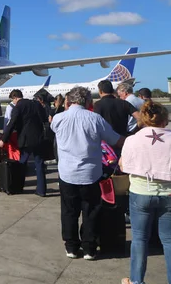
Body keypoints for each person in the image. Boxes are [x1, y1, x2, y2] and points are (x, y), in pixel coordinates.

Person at [51, 86, 124, 260]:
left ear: (69, 101)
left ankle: (71, 247)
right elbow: (115, 140)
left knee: (69, 211)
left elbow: (55, 129)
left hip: (67, 173)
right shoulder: (95, 119)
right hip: (90, 174)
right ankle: (89, 248)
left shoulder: (58, 119)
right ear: (89, 102)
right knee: (91, 211)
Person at [120, 101, 171, 284]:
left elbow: (123, 166)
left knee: (139, 238)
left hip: (140, 192)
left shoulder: (132, 140)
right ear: (165, 119)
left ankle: (137, 280)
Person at [0, 89, 48, 197]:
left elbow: (11, 123)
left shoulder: (18, 107)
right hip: (38, 138)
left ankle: (17, 186)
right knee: (39, 164)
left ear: (15, 97)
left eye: (13, 100)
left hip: (26, 139)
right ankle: (41, 190)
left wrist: (4, 139)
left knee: (21, 163)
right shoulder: (35, 104)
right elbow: (44, 118)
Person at [94, 80, 140, 147]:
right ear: (112, 90)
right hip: (123, 141)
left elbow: (95, 124)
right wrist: (134, 131)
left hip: (107, 144)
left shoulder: (98, 105)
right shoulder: (124, 103)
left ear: (100, 91)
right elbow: (141, 118)